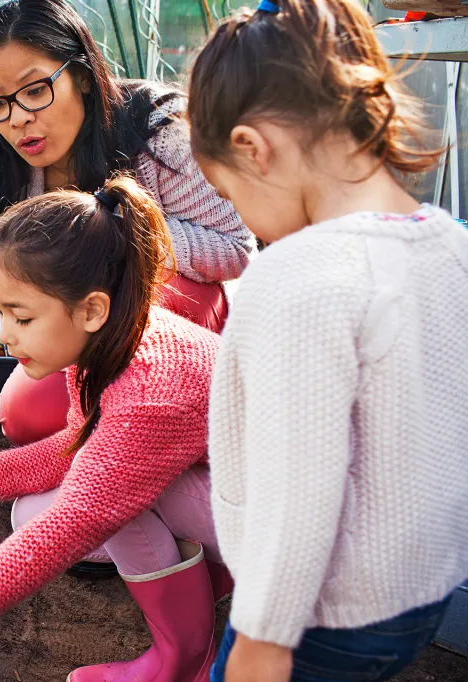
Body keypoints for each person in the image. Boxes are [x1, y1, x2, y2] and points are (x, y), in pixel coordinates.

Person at [187, 1, 468, 680]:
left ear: (253, 149)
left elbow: (297, 491)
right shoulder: (450, 245)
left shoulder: (298, 278)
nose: (246, 221)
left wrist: (261, 639)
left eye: (229, 192)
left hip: (318, 618)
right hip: (421, 596)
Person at [0, 176, 224, 682]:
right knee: (34, 509)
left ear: (91, 309)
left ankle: (185, 660)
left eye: (21, 317)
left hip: (291, 524)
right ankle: (213, 576)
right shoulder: (109, 340)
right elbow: (82, 441)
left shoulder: (149, 391)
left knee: (106, 508)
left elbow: (78, 518)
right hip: (231, 487)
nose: (3, 335)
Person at [0, 0, 254, 446]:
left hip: (176, 311)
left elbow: (235, 249)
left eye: (35, 90)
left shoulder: (157, 131)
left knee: (90, 406)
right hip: (79, 329)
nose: (18, 118)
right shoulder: (0, 164)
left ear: (82, 77)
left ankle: (153, 436)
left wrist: (120, 232)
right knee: (24, 417)